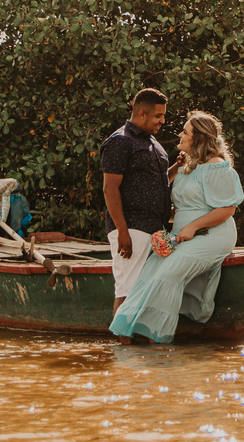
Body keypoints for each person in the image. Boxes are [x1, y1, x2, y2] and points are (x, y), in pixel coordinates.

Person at [109, 110, 244, 344]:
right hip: (181, 236)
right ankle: (132, 339)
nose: (180, 134)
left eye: (185, 131)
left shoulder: (216, 166)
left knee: (168, 274)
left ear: (199, 138)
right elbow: (182, 206)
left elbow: (227, 210)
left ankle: (159, 342)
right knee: (150, 272)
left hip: (212, 235)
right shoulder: (187, 167)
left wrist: (192, 227)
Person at [101, 88, 183, 337]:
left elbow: (158, 183)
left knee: (147, 291)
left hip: (155, 229)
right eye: (158, 116)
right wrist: (122, 232)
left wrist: (178, 166)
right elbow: (110, 189)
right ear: (141, 113)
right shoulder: (120, 141)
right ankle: (122, 355)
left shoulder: (153, 144)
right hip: (132, 229)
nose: (162, 121)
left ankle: (140, 360)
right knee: (127, 291)